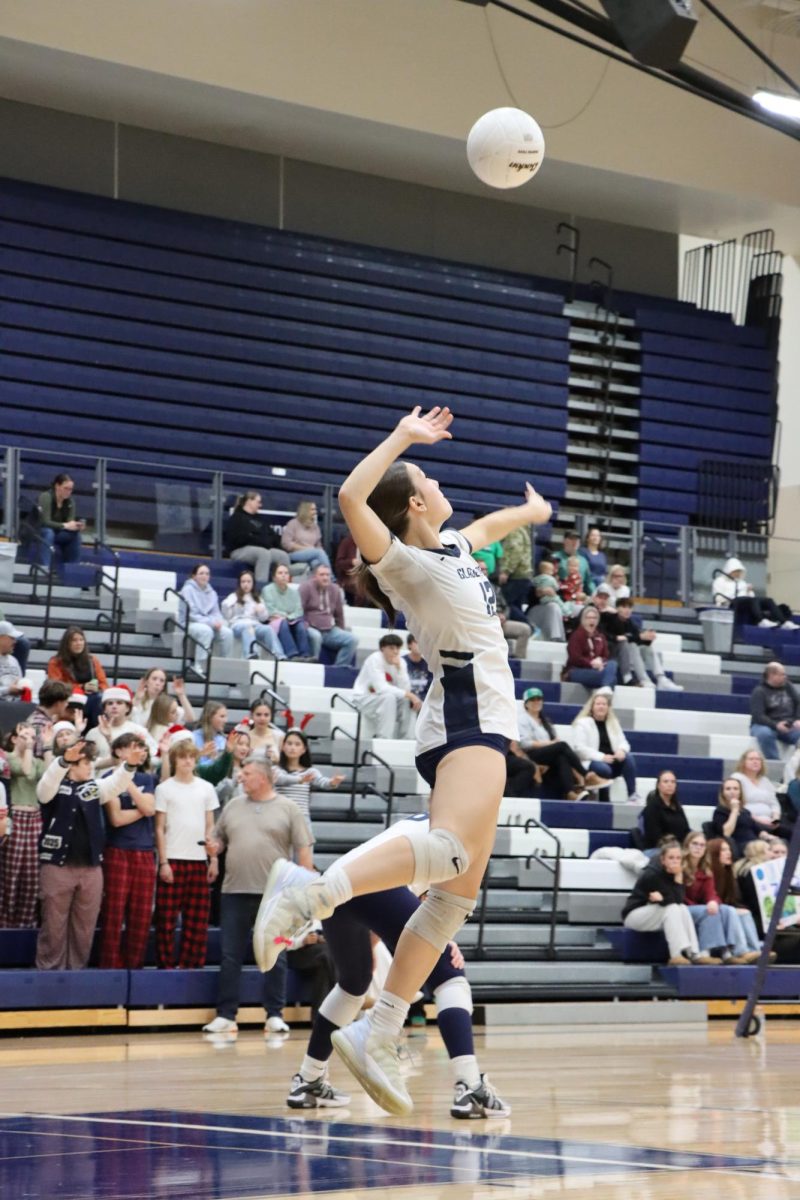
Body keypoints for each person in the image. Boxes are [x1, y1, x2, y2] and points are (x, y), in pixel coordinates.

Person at [252, 403, 551, 1117]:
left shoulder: (452, 548)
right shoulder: (407, 563)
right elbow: (353, 498)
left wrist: (529, 515)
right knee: (446, 852)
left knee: (453, 901)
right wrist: (401, 440)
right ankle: (308, 892)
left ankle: (379, 1031)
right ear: (416, 501)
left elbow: (484, 531)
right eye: (430, 477)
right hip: (466, 717)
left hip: (486, 721)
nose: (442, 486)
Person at [283, 814, 510, 1118]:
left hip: (339, 880)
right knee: (450, 975)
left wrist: (373, 944)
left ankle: (307, 1079)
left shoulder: (432, 818)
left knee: (353, 983)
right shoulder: (468, 831)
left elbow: (391, 899)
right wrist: (444, 943)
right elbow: (435, 908)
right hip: (372, 885)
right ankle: (469, 1087)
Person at [202, 758, 315, 1036]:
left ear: (263, 778)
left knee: (275, 955)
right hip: (234, 892)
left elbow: (304, 851)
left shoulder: (289, 809)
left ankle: (274, 1014)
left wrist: (305, 891)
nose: (241, 776)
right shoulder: (232, 806)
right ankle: (226, 1015)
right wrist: (213, 847)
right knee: (230, 956)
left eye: (247, 773)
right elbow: (218, 840)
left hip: (276, 895)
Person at [35, 738, 140, 969]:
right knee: (53, 926)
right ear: (72, 764)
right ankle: (48, 979)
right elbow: (44, 790)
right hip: (57, 867)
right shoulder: (53, 785)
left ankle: (76, 978)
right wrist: (62, 762)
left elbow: (115, 784)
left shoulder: (93, 787)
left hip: (91, 869)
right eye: (85, 762)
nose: (90, 766)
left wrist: (129, 766)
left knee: (84, 928)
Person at [154, 737, 219, 969]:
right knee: (166, 920)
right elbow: (159, 829)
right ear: (175, 759)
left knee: (197, 921)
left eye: (192, 757)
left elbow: (210, 826)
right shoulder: (164, 788)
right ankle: (165, 967)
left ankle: (192, 967)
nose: (188, 761)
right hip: (172, 859)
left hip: (199, 860)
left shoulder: (206, 788)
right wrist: (163, 862)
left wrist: (213, 859)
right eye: (183, 757)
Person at [97, 733, 157, 970]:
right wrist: (126, 778)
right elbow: (117, 818)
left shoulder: (148, 778)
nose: (138, 751)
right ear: (119, 752)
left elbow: (151, 809)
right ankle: (109, 970)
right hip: (117, 850)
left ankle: (135, 969)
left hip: (144, 852)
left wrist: (130, 782)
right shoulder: (107, 778)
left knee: (141, 917)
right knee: (113, 914)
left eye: (141, 747)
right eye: (133, 747)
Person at [621, 841, 716, 966]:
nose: (675, 861)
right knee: (672, 908)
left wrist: (678, 877)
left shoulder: (676, 873)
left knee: (682, 908)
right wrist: (675, 883)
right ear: (663, 860)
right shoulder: (652, 874)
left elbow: (679, 901)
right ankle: (676, 954)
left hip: (656, 913)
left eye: (678, 858)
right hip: (635, 916)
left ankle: (694, 953)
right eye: (671, 858)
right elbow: (671, 901)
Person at [681, 831, 759, 964]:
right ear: (687, 845)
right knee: (711, 911)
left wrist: (713, 901)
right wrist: (709, 904)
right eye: (694, 844)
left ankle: (742, 952)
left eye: (701, 845)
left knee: (727, 910)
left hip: (698, 907)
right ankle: (706, 952)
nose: (698, 847)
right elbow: (678, 894)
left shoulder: (705, 869)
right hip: (682, 907)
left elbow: (711, 893)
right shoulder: (680, 866)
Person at [513, 687, 601, 801]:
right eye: (533, 699)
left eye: (539, 699)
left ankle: (570, 792)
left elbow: (554, 744)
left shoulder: (546, 721)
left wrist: (552, 744)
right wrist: (550, 743)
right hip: (531, 755)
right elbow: (525, 743)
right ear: (526, 704)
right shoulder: (522, 719)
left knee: (561, 756)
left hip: (547, 756)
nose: (536, 702)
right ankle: (586, 774)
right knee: (562, 746)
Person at [0, 723, 46, 927]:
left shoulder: (36, 760)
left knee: (31, 874)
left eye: (32, 737)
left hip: (34, 817)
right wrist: (28, 748)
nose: (29, 740)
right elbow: (25, 771)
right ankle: (5, 921)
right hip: (16, 815)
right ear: (14, 738)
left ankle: (26, 923)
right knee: (11, 873)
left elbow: (46, 776)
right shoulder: (8, 759)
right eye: (25, 735)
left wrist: (47, 747)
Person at [570, 689, 641, 804]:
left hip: (611, 760)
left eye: (604, 704)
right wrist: (602, 757)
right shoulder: (583, 723)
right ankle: (604, 800)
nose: (601, 707)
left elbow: (624, 742)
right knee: (604, 769)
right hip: (591, 761)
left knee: (629, 758)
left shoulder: (613, 722)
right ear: (592, 707)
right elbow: (579, 748)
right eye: (598, 704)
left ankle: (632, 795)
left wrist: (621, 750)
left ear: (608, 707)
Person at [707, 837, 772, 959]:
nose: (729, 853)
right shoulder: (708, 872)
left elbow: (734, 899)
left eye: (729, 849)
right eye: (723, 850)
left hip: (723, 907)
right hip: (710, 908)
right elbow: (709, 896)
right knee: (733, 911)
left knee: (744, 911)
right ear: (714, 853)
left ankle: (755, 950)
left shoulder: (728, 871)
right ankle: (741, 951)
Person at [272, 729, 344, 830]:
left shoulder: (309, 771)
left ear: (304, 749)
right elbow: (281, 779)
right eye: (289, 743)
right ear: (283, 746)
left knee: (305, 845)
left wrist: (333, 782)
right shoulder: (276, 769)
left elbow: (322, 782)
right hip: (280, 817)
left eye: (297, 744)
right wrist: (299, 780)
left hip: (301, 818)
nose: (293, 747)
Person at [605, 597, 683, 691]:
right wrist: (638, 637)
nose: (627, 610)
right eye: (624, 607)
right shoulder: (609, 619)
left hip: (628, 654)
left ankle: (661, 678)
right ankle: (644, 679)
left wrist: (648, 638)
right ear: (617, 608)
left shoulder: (630, 623)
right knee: (632, 645)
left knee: (647, 648)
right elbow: (611, 638)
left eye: (630, 607)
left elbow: (638, 638)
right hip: (613, 653)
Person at [352, 633, 420, 740]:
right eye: (391, 648)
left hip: (384, 701)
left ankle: (407, 739)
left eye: (397, 648)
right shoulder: (374, 659)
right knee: (389, 697)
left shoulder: (401, 662)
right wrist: (410, 695)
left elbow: (405, 689)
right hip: (364, 699)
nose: (395, 651)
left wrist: (399, 669)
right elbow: (381, 688)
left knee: (407, 701)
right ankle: (384, 739)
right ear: (382, 648)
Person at [224, 491, 291, 587]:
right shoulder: (236, 518)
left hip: (261, 548)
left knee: (282, 556)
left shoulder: (261, 519)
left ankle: (283, 587)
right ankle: (260, 588)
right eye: (258, 502)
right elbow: (239, 539)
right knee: (263, 553)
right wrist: (260, 540)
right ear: (249, 501)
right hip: (239, 551)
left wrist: (257, 538)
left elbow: (273, 537)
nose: (260, 505)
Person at [221, 569, 290, 661]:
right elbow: (227, 615)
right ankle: (251, 653)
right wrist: (228, 604)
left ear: (253, 583)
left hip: (255, 624)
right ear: (239, 583)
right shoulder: (233, 596)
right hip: (238, 624)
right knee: (248, 628)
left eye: (249, 582)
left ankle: (279, 655)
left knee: (268, 629)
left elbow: (264, 618)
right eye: (243, 582)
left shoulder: (257, 598)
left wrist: (260, 611)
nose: (246, 584)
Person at [47, 625, 108, 728]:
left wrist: (97, 687)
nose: (78, 643)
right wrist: (81, 687)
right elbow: (56, 688)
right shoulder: (56, 662)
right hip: (68, 700)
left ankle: (96, 731)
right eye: (74, 640)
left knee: (99, 699)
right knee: (94, 702)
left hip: (93, 697)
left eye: (81, 640)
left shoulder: (92, 660)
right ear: (67, 643)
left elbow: (104, 683)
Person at [179, 564, 234, 678]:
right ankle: (199, 664)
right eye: (201, 573)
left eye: (207, 573)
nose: (204, 576)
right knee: (206, 631)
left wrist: (218, 622)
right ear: (194, 576)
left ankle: (223, 664)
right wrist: (211, 623)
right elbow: (192, 614)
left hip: (209, 623)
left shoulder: (212, 592)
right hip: (189, 622)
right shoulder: (187, 590)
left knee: (228, 633)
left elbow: (216, 613)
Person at [714, 557, 798, 630]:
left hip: (745, 603)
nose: (738, 574)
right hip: (732, 603)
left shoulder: (741, 582)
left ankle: (784, 622)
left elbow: (751, 598)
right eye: (736, 571)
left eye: (739, 571)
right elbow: (719, 598)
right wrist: (741, 590)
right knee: (753, 600)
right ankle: (761, 621)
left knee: (768, 600)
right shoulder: (720, 581)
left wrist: (749, 591)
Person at [85, 686, 157, 769]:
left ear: (127, 708)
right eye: (110, 703)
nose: (114, 706)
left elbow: (152, 756)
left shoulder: (138, 731)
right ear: (104, 709)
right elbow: (88, 763)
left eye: (119, 703)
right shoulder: (93, 733)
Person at [299, 564, 356, 665]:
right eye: (322, 575)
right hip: (310, 628)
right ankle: (312, 667)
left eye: (327, 575)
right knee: (316, 636)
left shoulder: (335, 589)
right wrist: (305, 626)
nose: (325, 578)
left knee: (352, 640)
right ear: (315, 576)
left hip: (329, 630)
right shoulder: (305, 587)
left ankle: (338, 670)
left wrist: (340, 630)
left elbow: (339, 615)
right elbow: (299, 611)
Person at [731, 748, 792, 837]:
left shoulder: (765, 781)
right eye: (751, 759)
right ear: (743, 762)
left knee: (792, 833)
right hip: (748, 821)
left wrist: (775, 819)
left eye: (758, 759)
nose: (755, 762)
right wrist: (758, 820)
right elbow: (738, 806)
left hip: (770, 822)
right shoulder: (737, 778)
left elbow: (774, 803)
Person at [476, 561, 530, 658]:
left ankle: (518, 662)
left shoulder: (496, 588)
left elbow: (506, 607)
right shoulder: (470, 588)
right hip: (482, 624)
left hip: (500, 622)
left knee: (525, 630)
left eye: (485, 569)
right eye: (481, 569)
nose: (484, 572)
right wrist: (493, 616)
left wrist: (504, 616)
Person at [262, 563, 315, 659]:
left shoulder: (294, 592)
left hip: (291, 620)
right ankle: (292, 654)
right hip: (274, 621)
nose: (283, 575)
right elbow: (271, 610)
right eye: (280, 573)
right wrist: (286, 616)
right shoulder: (267, 590)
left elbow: (299, 611)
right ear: (274, 577)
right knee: (283, 623)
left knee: (300, 625)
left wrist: (288, 617)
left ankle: (305, 655)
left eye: (286, 573)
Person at [750, 662, 800, 762]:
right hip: (765, 725)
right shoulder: (759, 691)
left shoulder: (788, 687)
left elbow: (798, 702)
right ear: (771, 675)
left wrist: (797, 719)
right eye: (782, 674)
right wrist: (775, 725)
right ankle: (775, 763)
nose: (785, 677)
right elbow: (758, 716)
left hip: (788, 725)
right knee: (765, 734)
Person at [36, 473, 85, 570]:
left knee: (75, 535)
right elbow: (45, 522)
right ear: (57, 486)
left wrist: (76, 526)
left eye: (70, 489)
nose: (68, 492)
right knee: (48, 532)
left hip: (57, 532)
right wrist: (65, 525)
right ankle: (44, 568)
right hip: (39, 530)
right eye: (65, 488)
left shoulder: (70, 502)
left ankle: (73, 568)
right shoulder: (46, 496)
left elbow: (69, 522)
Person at [564, 605, 617, 690]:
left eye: (595, 618)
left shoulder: (600, 636)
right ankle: (605, 690)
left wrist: (600, 661)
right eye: (588, 618)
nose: (592, 620)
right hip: (576, 670)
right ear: (583, 620)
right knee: (612, 679)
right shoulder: (576, 635)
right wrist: (591, 663)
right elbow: (575, 658)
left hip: (596, 670)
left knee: (612, 664)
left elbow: (606, 656)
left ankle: (605, 689)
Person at [710, 776, 763, 859]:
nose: (732, 792)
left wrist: (770, 837)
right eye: (728, 789)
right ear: (723, 793)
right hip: (738, 846)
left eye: (735, 789)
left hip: (755, 843)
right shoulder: (720, 812)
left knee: (778, 845)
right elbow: (726, 833)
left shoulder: (745, 812)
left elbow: (757, 829)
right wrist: (734, 811)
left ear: (740, 792)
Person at [641, 770, 689, 850]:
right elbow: (654, 838)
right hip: (659, 850)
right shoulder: (652, 808)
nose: (670, 784)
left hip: (679, 848)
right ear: (658, 785)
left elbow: (686, 830)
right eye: (666, 781)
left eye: (673, 782)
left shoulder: (677, 807)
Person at [281, 500, 331, 573]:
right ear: (305, 510)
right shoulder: (293, 523)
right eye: (312, 509)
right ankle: (331, 579)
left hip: (313, 554)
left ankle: (319, 582)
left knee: (316, 563)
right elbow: (286, 543)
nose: (315, 512)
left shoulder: (315, 527)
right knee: (319, 553)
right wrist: (306, 549)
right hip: (295, 554)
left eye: (315, 509)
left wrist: (314, 550)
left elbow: (318, 545)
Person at [26, 680, 71, 758]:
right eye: (66, 701)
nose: (67, 704)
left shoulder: (44, 719)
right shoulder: (39, 724)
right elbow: (38, 754)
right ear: (58, 703)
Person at [499, 524, 534, 620]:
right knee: (516, 606)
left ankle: (531, 627)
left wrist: (506, 571)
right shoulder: (523, 530)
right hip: (523, 575)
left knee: (506, 605)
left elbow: (516, 551)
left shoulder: (514, 530)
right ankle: (526, 630)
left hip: (516, 575)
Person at [527, 559, 566, 642]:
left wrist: (554, 594)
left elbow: (562, 597)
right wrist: (540, 592)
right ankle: (555, 638)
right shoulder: (535, 582)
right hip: (535, 611)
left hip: (555, 611)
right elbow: (529, 597)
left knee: (555, 606)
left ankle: (557, 638)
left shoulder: (558, 581)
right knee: (554, 607)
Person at [554, 530, 594, 595]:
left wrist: (594, 595)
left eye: (577, 539)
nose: (575, 542)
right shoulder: (555, 557)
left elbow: (589, 582)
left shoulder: (583, 561)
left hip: (579, 598)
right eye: (571, 539)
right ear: (564, 540)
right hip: (560, 597)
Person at [246, 699, 284, 764]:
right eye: (258, 714)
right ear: (251, 715)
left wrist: (277, 760)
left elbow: (287, 763)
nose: (262, 718)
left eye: (266, 715)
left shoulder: (279, 736)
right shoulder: (245, 736)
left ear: (271, 716)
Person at [192, 701, 228, 765]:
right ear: (210, 717)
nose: (226, 720)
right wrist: (201, 753)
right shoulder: (193, 737)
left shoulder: (223, 740)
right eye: (222, 716)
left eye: (225, 717)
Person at [0, 621, 26, 701]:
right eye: (12, 638)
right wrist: (8, 690)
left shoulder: (14, 660)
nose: (15, 642)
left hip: (14, 706)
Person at [404, 634, 432, 702]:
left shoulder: (429, 665)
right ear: (409, 645)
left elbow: (430, 688)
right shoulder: (402, 662)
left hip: (423, 700)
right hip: (406, 699)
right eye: (416, 642)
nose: (420, 645)